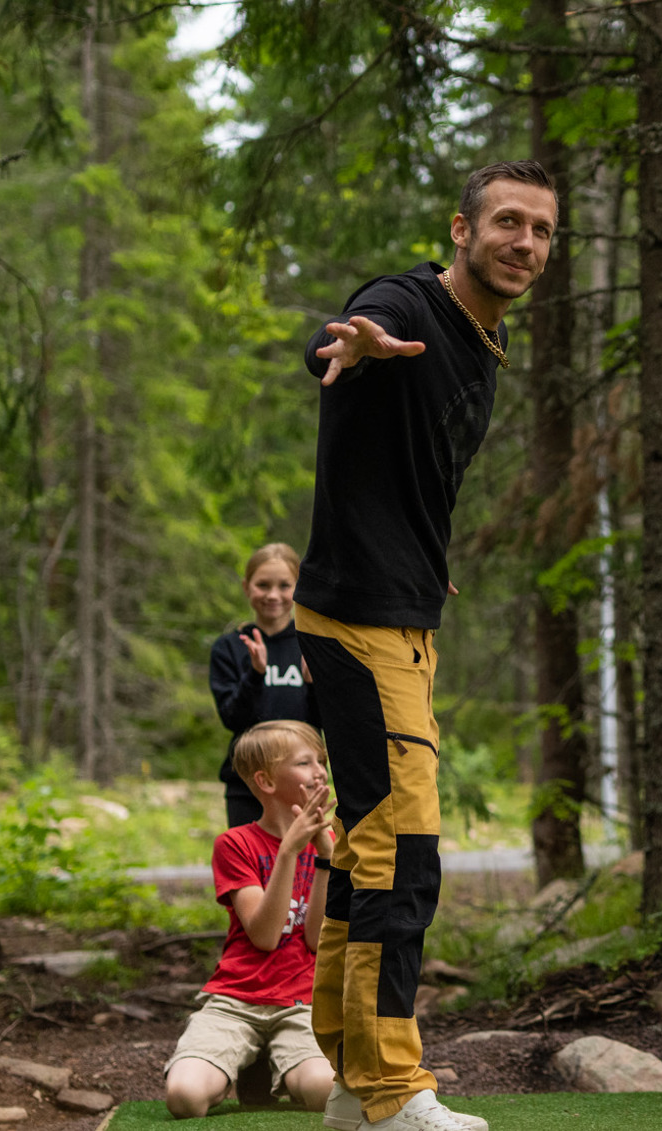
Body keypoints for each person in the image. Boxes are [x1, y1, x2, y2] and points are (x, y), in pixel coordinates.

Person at [298, 161, 558, 1131]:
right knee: (404, 854)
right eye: (505, 223)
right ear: (462, 228)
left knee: (366, 852)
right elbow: (337, 343)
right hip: (363, 623)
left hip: (398, 608)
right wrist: (349, 346)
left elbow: (415, 468)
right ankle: (394, 1090)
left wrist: (426, 548)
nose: (523, 243)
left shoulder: (487, 343)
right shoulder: (403, 304)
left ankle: (351, 1078)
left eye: (540, 230)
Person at [163, 721, 338, 1119]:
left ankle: (279, 1068)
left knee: (326, 1093)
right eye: (304, 762)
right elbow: (264, 936)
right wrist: (289, 852)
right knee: (185, 1099)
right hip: (235, 999)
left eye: (320, 761)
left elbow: (316, 940)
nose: (319, 772)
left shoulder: (333, 842)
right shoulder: (235, 843)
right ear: (265, 781)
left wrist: (327, 859)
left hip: (301, 1000)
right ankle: (231, 1069)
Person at [210, 543, 313, 828]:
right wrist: (255, 674)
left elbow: (322, 721)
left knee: (302, 869)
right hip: (246, 783)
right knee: (250, 869)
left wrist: (312, 684)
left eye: (284, 585)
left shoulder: (311, 644)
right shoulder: (230, 647)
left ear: (298, 587)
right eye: (263, 585)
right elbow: (232, 718)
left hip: (302, 783)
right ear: (247, 587)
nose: (273, 595)